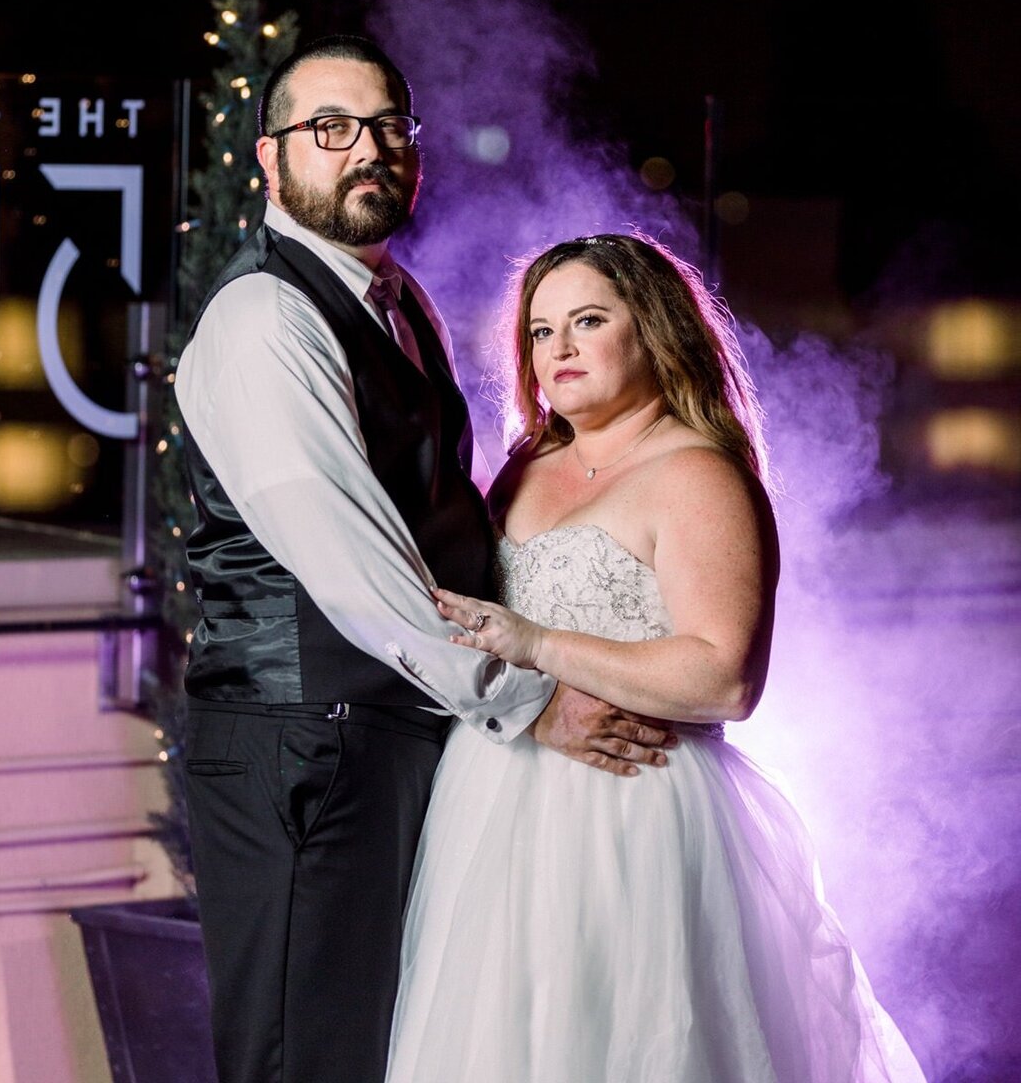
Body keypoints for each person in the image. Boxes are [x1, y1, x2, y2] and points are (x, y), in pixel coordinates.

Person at [172, 40, 677, 1083]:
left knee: (388, 1050)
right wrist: (526, 699)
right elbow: (351, 557)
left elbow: (444, 513)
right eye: (331, 129)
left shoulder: (396, 303)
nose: (367, 150)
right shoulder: (266, 316)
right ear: (270, 159)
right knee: (304, 1058)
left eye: (389, 128)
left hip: (390, 734)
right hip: (303, 743)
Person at [386, 231, 928, 1083]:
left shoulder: (698, 473)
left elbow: (725, 678)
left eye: (588, 321)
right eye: (539, 330)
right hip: (493, 805)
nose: (557, 349)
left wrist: (536, 644)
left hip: (633, 810)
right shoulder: (527, 466)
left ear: (653, 331)